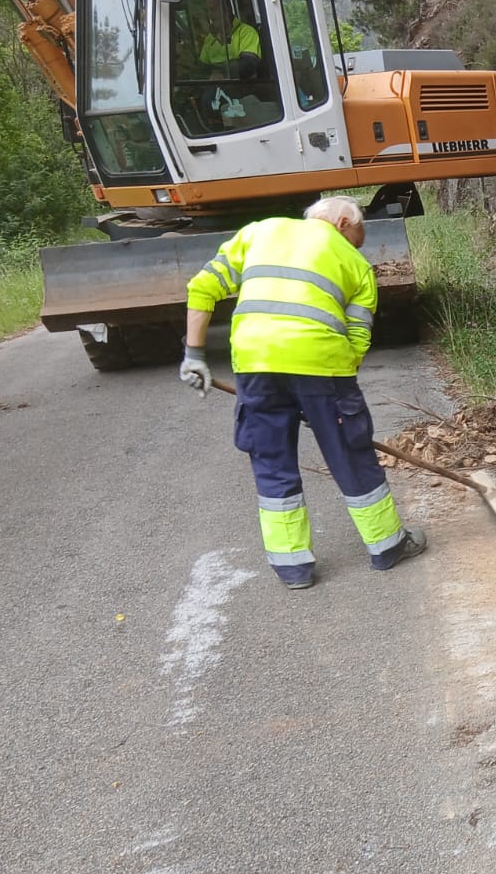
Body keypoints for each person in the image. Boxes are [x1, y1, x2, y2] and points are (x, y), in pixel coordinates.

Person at [178, 197, 426, 589]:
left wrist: (194, 355)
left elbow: (202, 288)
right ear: (343, 221)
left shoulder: (259, 231)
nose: (356, 247)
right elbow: (358, 339)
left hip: (255, 364)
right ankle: (388, 546)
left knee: (271, 461)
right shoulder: (356, 265)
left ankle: (293, 569)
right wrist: (332, 397)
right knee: (350, 453)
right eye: (356, 238)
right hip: (323, 366)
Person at [197, 0, 262, 79]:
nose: (210, 15)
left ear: (226, 10)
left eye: (213, 10)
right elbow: (202, 68)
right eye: (207, 11)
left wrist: (222, 74)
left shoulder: (246, 32)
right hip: (216, 86)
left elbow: (248, 65)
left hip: (243, 86)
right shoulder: (210, 39)